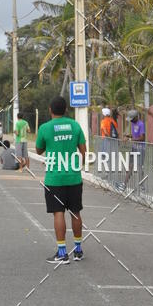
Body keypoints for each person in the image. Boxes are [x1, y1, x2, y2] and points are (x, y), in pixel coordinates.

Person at [35, 96, 86, 264]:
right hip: (74, 177)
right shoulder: (75, 125)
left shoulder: (45, 128)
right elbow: (84, 151)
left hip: (54, 178)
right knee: (75, 212)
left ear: (50, 110)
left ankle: (62, 252)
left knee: (58, 212)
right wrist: (80, 168)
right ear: (65, 110)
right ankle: (78, 250)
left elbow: (39, 150)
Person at [120, 109, 146, 192]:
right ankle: (124, 184)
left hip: (141, 148)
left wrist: (132, 140)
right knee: (130, 166)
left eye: (131, 118)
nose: (130, 120)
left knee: (140, 167)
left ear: (136, 117)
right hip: (134, 148)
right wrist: (128, 136)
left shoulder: (141, 124)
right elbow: (134, 134)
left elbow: (142, 138)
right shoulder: (132, 123)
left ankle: (142, 186)